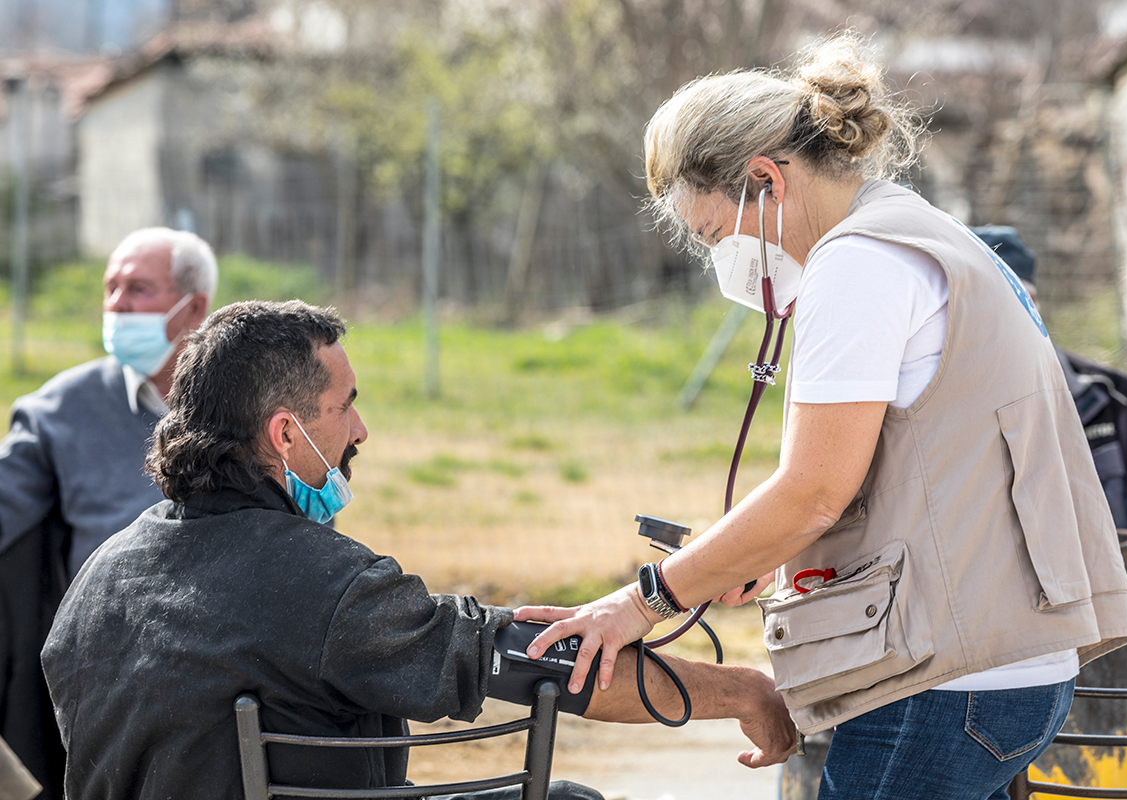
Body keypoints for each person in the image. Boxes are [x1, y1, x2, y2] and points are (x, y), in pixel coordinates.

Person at [514, 32, 1127, 800]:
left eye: (717, 234)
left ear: (766, 181)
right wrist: (758, 552)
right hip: (1011, 667)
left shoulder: (857, 265)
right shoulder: (920, 231)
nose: (724, 261)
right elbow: (931, 462)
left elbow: (814, 490)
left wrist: (640, 601)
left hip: (946, 685)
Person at [39, 300, 795, 800]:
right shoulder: (323, 586)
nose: (360, 431)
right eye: (347, 406)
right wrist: (744, 692)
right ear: (283, 434)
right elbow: (550, 666)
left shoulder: (96, 582)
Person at [0, 228, 215, 799]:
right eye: (111, 288)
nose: (118, 305)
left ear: (194, 307)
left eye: (139, 289)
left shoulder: (251, 409)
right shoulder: (56, 410)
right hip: (103, 670)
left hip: (229, 660)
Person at [973, 225, 1127, 687]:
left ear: (1030, 303)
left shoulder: (1107, 401)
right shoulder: (929, 408)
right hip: (991, 671)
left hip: (1105, 669)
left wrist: (1104, 609)